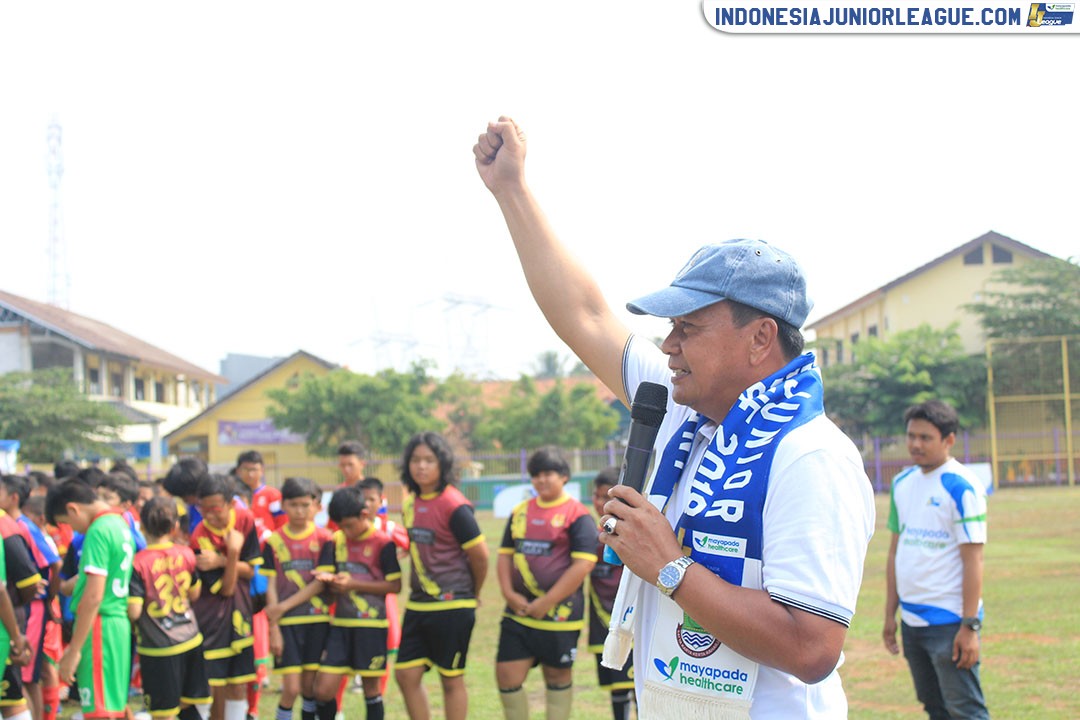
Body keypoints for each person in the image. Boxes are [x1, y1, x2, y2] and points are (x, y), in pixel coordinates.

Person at [475, 116, 876, 719]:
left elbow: (812, 646)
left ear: (761, 338)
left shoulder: (809, 454)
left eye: (688, 328)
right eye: (668, 329)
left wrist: (667, 565)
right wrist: (512, 190)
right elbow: (585, 315)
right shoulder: (679, 412)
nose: (667, 346)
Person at [883, 400, 990, 720]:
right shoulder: (902, 483)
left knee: (966, 711)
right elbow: (895, 552)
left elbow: (974, 560)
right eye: (911, 436)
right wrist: (891, 614)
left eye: (925, 438)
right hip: (912, 622)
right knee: (935, 708)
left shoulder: (962, 486)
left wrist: (969, 626)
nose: (915, 444)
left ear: (949, 440)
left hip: (949, 622)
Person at [495, 446, 597, 720]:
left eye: (548, 473)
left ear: (564, 476)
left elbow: (584, 564)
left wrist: (546, 602)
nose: (541, 480)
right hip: (519, 613)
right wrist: (508, 594)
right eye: (535, 474)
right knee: (507, 676)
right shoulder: (520, 512)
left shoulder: (578, 515)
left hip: (559, 615)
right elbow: (505, 557)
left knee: (557, 676)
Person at [394, 432, 488, 720]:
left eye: (429, 460)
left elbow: (480, 555)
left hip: (453, 605)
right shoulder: (410, 503)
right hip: (418, 604)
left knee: (451, 678)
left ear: (442, 464)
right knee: (406, 675)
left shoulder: (454, 505)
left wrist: (474, 593)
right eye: (415, 460)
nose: (421, 466)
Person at [45, 477, 136, 720]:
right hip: (117, 625)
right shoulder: (119, 523)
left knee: (99, 712)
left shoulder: (98, 530)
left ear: (73, 508)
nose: (74, 530)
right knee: (114, 707)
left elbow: (94, 595)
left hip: (99, 627)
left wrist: (73, 651)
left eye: (69, 523)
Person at [311, 484, 401, 720]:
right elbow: (327, 574)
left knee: (371, 691)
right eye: (341, 526)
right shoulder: (336, 540)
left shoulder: (383, 543)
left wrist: (353, 585)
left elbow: (395, 586)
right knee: (323, 690)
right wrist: (329, 580)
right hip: (340, 626)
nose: (345, 531)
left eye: (349, 525)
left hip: (371, 627)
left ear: (364, 515)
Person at [128, 496, 211, 720]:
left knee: (162, 713)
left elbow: (134, 611)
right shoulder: (186, 554)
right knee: (187, 705)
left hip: (158, 648)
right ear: (175, 527)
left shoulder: (137, 562)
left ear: (142, 526)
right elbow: (194, 593)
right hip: (190, 639)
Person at [188, 473, 264, 720]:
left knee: (238, 682)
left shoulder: (245, 519)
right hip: (212, 618)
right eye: (203, 509)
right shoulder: (199, 535)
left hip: (240, 613)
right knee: (215, 683)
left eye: (215, 509)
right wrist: (232, 554)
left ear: (231, 504)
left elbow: (251, 570)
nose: (209, 515)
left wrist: (222, 559)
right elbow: (226, 588)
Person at [261, 477, 333, 720]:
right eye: (293, 505)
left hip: (316, 620)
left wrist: (282, 607)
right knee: (291, 688)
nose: (300, 511)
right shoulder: (274, 541)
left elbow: (319, 585)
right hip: (287, 624)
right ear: (283, 505)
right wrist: (274, 627)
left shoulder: (325, 539)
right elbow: (270, 584)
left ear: (316, 506)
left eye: (305, 505)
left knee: (310, 687)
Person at [0, 474, 63, 720]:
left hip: (13, 621)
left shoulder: (11, 527)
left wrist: (46, 599)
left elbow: (29, 580)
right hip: (13, 620)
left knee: (22, 684)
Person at [587, 467, 636, 720]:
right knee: (616, 689)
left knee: (639, 688)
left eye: (605, 497)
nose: (599, 503)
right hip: (601, 618)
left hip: (632, 622)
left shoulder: (635, 533)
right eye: (595, 496)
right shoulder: (589, 535)